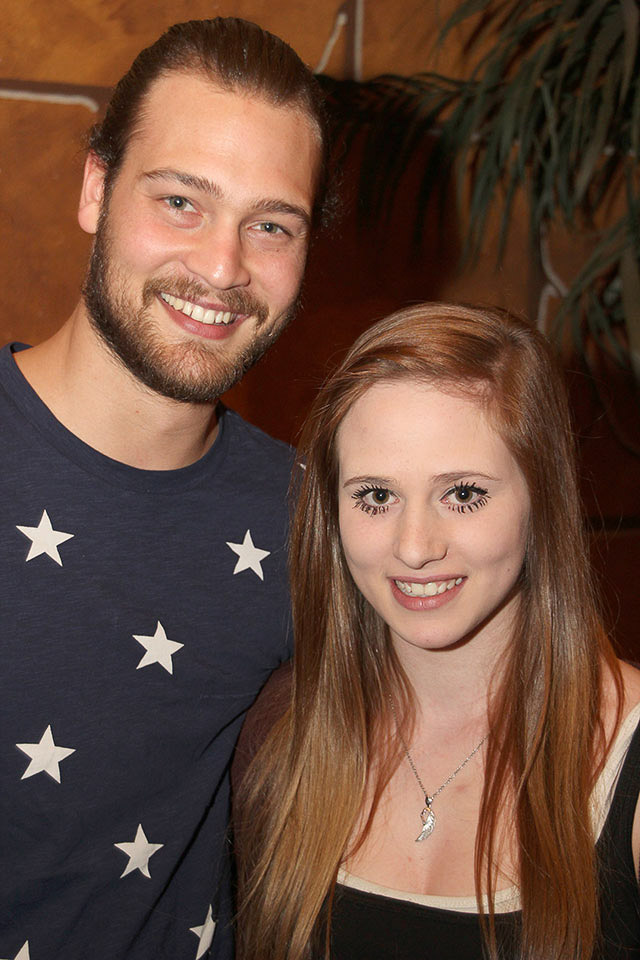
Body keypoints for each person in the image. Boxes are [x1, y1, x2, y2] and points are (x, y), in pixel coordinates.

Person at [0, 16, 329, 960]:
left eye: (271, 225)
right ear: (95, 189)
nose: (223, 268)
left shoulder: (318, 517)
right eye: (182, 201)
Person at [234, 302, 640, 960]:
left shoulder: (628, 754)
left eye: (463, 494)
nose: (415, 547)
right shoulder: (282, 734)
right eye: (376, 496)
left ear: (543, 497)